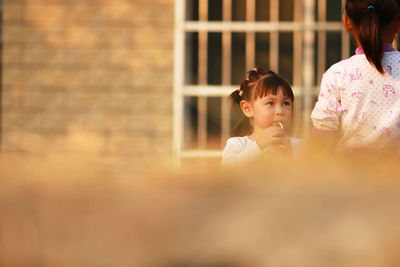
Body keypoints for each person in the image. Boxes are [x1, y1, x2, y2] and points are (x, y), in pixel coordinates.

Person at [311, 0, 400, 152]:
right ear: (398, 23)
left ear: (347, 21)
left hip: (350, 171)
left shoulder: (337, 74)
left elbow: (322, 139)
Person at [221, 68, 302, 167]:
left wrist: (290, 154)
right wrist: (259, 145)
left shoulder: (299, 146)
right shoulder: (237, 145)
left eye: (286, 103)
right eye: (270, 103)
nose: (280, 111)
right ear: (248, 109)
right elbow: (227, 172)